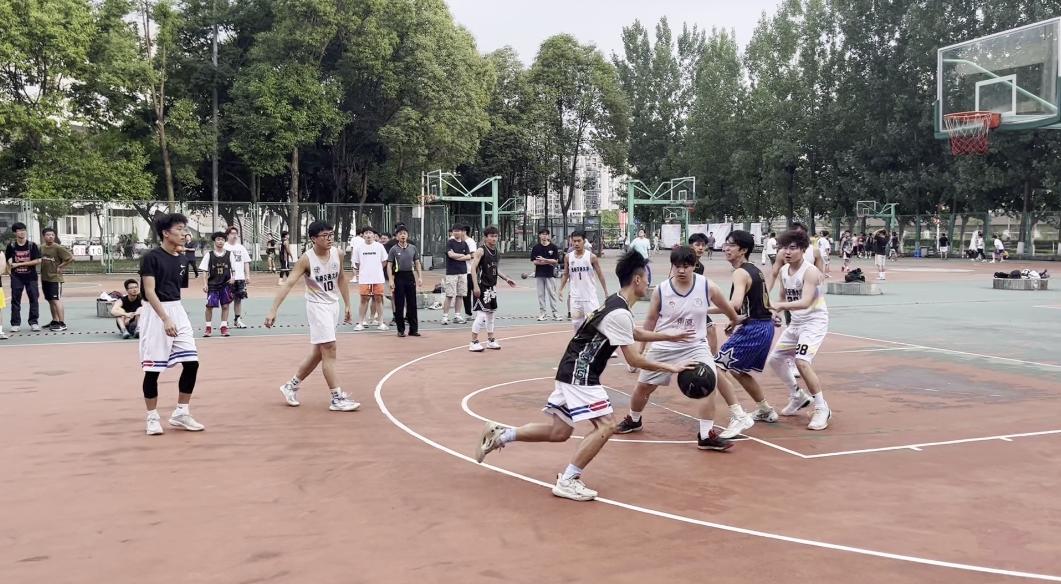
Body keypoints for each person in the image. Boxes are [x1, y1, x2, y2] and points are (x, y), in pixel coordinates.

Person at [474, 251, 693, 501]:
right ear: (637, 280)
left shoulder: (616, 302)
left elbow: (633, 332)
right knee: (607, 426)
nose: (648, 283)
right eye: (647, 278)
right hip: (581, 374)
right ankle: (568, 480)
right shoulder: (619, 312)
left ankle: (502, 435)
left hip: (570, 369)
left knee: (559, 432)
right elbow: (634, 360)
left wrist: (670, 336)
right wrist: (672, 367)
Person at [614, 246, 743, 450]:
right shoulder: (662, 290)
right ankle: (634, 419)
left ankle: (706, 435)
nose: (681, 270)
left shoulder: (707, 286)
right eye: (677, 266)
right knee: (644, 387)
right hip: (665, 344)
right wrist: (641, 349)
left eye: (686, 266)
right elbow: (651, 320)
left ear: (694, 266)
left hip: (695, 345)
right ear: (672, 266)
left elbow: (726, 306)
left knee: (709, 382)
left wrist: (734, 320)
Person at [267, 220, 360, 412]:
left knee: (319, 352)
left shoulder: (338, 253)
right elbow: (289, 283)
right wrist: (273, 309)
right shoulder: (306, 259)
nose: (329, 239)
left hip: (333, 305)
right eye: (325, 236)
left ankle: (290, 386)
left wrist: (348, 304)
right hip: (317, 307)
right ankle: (336, 398)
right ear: (313, 239)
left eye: (331, 235)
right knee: (330, 349)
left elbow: (341, 278)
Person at [138, 213, 204, 436]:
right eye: (179, 229)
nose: (184, 233)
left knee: (192, 363)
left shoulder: (182, 259)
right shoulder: (150, 257)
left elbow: (176, 288)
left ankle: (181, 413)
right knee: (153, 370)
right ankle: (152, 417)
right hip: (155, 312)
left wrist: (174, 315)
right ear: (166, 233)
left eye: (185, 229)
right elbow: (149, 291)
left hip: (177, 309)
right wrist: (165, 318)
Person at [711, 230, 780, 438]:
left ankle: (738, 415)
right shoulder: (755, 270)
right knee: (738, 370)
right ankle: (765, 409)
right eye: (726, 244)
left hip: (754, 328)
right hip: (764, 327)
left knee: (716, 367)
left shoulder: (740, 273)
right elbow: (753, 304)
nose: (726, 248)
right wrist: (734, 320)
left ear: (743, 250)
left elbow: (734, 304)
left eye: (731, 245)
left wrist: (702, 309)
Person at [766, 229, 831, 431]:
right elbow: (783, 295)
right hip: (796, 323)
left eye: (792, 248)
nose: (787, 252)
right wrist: (776, 312)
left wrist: (779, 306)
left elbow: (804, 302)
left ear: (803, 249)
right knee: (775, 360)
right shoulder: (784, 270)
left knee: (802, 361)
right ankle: (797, 395)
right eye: (784, 248)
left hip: (814, 322)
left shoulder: (810, 272)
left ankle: (822, 408)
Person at [469, 226, 517, 352]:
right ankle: (473, 342)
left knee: (491, 314)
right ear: (485, 237)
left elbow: (495, 268)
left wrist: (506, 278)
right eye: (491, 236)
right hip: (481, 286)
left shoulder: (496, 252)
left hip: (491, 286)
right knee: (481, 315)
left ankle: (490, 340)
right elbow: (473, 268)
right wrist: (475, 286)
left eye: (496, 236)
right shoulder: (481, 250)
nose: (494, 238)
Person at [559, 231, 608, 331]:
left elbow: (600, 274)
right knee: (577, 323)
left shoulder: (591, 257)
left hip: (589, 296)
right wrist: (560, 289)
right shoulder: (568, 257)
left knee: (593, 321)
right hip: (575, 297)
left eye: (579, 241)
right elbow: (566, 274)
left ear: (584, 241)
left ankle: (594, 339)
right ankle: (579, 340)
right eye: (574, 241)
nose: (576, 243)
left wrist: (606, 291)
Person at [4, 222, 42, 332]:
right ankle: (15, 323)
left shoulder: (32, 245)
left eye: (24, 230)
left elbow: (38, 260)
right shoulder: (11, 246)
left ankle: (34, 322)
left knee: (34, 299)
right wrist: (9, 271)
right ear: (15, 233)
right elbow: (7, 260)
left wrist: (19, 264)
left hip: (31, 277)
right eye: (19, 230)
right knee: (15, 300)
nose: (22, 232)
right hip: (17, 277)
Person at [386, 225, 423, 337]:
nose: (403, 235)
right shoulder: (393, 249)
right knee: (399, 304)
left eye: (404, 233)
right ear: (397, 236)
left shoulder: (413, 248)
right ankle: (400, 330)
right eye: (400, 234)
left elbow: (417, 263)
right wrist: (391, 280)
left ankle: (413, 329)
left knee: (412, 303)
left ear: (407, 235)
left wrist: (420, 277)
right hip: (399, 277)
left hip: (410, 276)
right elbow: (389, 265)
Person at [198, 232, 235, 337]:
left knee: (225, 305)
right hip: (212, 284)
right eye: (218, 239)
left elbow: (234, 269)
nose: (220, 241)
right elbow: (205, 271)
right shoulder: (209, 255)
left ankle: (224, 327)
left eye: (222, 239)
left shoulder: (229, 254)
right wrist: (205, 284)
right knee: (209, 306)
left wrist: (233, 277)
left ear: (224, 241)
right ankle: (208, 327)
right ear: (214, 241)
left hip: (225, 284)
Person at [352, 226, 387, 331]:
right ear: (363, 235)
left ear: (374, 235)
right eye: (366, 233)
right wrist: (364, 270)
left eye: (370, 233)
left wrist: (376, 269)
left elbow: (384, 261)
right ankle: (361, 323)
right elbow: (356, 263)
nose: (368, 235)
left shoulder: (379, 246)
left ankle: (381, 322)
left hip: (378, 278)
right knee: (364, 299)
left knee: (378, 299)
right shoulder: (358, 247)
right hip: (364, 278)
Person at [39, 227, 73, 331]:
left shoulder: (58, 247)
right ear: (44, 236)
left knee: (56, 300)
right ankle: (55, 320)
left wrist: (61, 266)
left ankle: (62, 323)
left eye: (53, 235)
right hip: (45, 278)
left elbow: (70, 258)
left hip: (55, 278)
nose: (51, 236)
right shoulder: (42, 247)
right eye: (48, 235)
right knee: (50, 300)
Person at [531, 228, 562, 321]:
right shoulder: (536, 248)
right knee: (541, 294)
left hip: (550, 274)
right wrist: (548, 262)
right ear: (539, 235)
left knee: (552, 294)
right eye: (542, 234)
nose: (544, 236)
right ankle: (543, 313)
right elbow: (535, 262)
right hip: (539, 274)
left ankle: (555, 313)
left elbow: (555, 261)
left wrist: (544, 260)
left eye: (546, 234)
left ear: (548, 236)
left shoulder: (553, 247)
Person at [443, 225, 471, 325]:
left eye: (458, 231)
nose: (456, 232)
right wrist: (462, 255)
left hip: (463, 272)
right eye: (454, 231)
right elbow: (450, 255)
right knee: (449, 295)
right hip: (451, 272)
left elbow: (469, 256)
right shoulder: (450, 242)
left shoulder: (464, 243)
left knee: (460, 294)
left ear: (462, 232)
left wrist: (457, 256)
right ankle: (445, 317)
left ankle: (457, 316)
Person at [225, 227, 251, 328]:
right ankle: (224, 321)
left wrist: (247, 275)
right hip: (228, 278)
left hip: (240, 278)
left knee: (238, 299)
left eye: (236, 233)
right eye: (232, 233)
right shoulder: (225, 247)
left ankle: (237, 320)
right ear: (227, 235)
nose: (234, 235)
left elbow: (246, 262)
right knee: (226, 300)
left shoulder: (241, 248)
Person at [462, 225, 477, 318]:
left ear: (464, 231)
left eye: (460, 230)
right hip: (462, 271)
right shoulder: (458, 241)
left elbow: (473, 256)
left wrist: (460, 257)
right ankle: (468, 313)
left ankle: (480, 312)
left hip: (470, 271)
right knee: (465, 293)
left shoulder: (470, 242)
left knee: (475, 292)